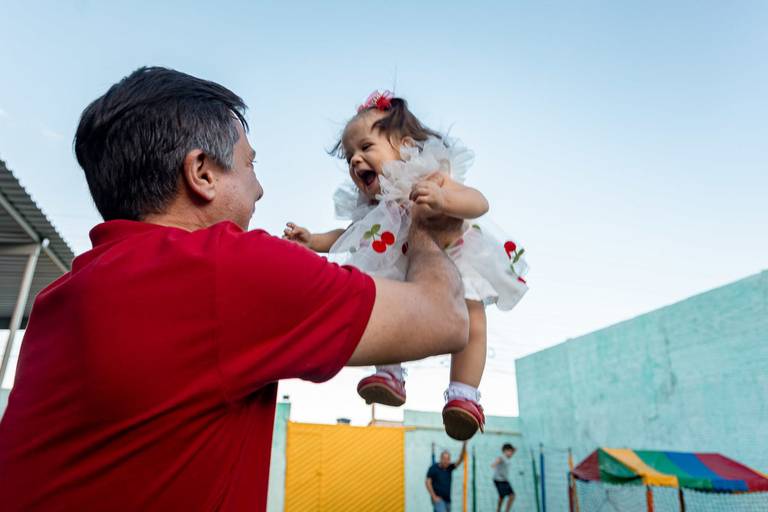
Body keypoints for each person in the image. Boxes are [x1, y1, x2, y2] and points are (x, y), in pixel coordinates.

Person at [0, 67, 470, 511]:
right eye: (250, 164)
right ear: (202, 173)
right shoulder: (227, 269)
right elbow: (445, 317)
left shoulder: (59, 298)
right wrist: (423, 223)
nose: (259, 189)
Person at [284, 90, 529, 440]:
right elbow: (351, 234)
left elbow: (479, 203)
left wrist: (444, 199)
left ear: (405, 145)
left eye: (366, 148)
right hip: (400, 268)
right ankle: (389, 374)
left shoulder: (430, 177)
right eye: (350, 157)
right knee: (383, 308)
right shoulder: (372, 207)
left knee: (473, 318)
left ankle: (464, 394)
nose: (355, 161)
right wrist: (314, 241)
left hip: (455, 257)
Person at [425, 443, 467, 512]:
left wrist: (464, 445)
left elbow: (460, 459)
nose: (446, 461)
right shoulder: (433, 468)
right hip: (438, 500)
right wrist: (434, 496)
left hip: (448, 501)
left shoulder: (449, 468)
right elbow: (428, 482)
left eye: (448, 459)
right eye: (444, 459)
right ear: (440, 459)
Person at [492, 443, 517, 512]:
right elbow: (498, 460)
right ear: (505, 451)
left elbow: (512, 452)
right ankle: (499, 510)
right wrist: (494, 464)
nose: (511, 453)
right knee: (504, 496)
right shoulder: (502, 457)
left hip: (504, 480)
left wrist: (513, 450)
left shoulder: (507, 457)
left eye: (511, 451)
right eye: (510, 451)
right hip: (499, 480)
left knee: (511, 496)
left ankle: (504, 510)